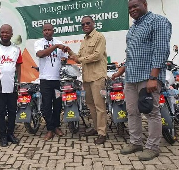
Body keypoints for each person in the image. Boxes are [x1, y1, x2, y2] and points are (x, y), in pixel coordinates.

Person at [112, 0, 172, 161]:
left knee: (151, 112)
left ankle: (152, 147)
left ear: (144, 4)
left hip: (148, 77)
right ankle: (135, 142)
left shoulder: (158, 21)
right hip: (131, 78)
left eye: (135, 6)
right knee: (132, 111)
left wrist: (154, 78)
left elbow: (161, 50)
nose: (132, 10)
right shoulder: (134, 28)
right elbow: (131, 54)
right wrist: (120, 71)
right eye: (129, 8)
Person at [65, 16, 108, 145]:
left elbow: (97, 55)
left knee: (100, 106)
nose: (85, 26)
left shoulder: (99, 37)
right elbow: (79, 57)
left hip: (97, 77)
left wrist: (80, 60)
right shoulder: (84, 40)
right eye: (83, 24)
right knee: (90, 104)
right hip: (87, 77)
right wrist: (70, 51)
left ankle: (102, 133)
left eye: (88, 23)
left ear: (93, 23)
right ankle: (95, 128)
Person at [34, 23, 67, 141]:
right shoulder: (38, 43)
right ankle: (49, 129)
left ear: (53, 31)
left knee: (57, 105)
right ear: (43, 32)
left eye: (49, 30)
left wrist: (65, 53)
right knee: (47, 105)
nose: (47, 32)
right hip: (45, 81)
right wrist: (56, 46)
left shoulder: (59, 42)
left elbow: (65, 56)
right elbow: (41, 54)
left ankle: (56, 126)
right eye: (44, 30)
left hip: (56, 80)